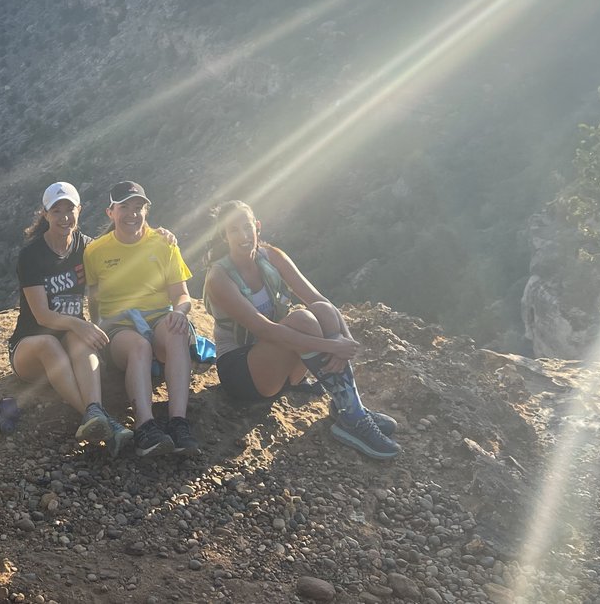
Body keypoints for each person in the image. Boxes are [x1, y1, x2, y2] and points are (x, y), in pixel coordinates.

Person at [202, 200, 401, 460]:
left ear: (257, 226)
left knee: (323, 311)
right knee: (304, 320)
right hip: (243, 374)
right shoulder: (218, 277)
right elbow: (265, 330)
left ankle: (350, 409)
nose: (243, 235)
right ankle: (353, 417)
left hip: (281, 367)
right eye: (233, 230)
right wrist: (333, 346)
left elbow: (319, 300)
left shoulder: (272, 256)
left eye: (247, 226)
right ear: (224, 236)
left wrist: (346, 342)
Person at [9, 181, 132, 452]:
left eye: (70, 210)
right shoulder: (31, 255)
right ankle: (102, 420)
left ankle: (95, 413)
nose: (64, 217)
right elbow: (42, 316)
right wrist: (79, 323)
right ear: (45, 214)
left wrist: (158, 234)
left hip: (68, 340)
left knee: (79, 339)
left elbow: (122, 247)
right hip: (30, 348)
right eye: (56, 211)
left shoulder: (86, 247)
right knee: (51, 343)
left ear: (80, 210)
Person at [84, 180, 200, 457]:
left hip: (158, 318)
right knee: (139, 346)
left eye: (138, 207)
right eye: (124, 207)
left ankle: (178, 422)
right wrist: (98, 332)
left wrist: (180, 313)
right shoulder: (95, 251)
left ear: (146, 210)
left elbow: (181, 295)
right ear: (110, 212)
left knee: (176, 331)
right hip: (119, 326)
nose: (132, 214)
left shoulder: (164, 244)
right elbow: (94, 299)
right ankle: (145, 427)